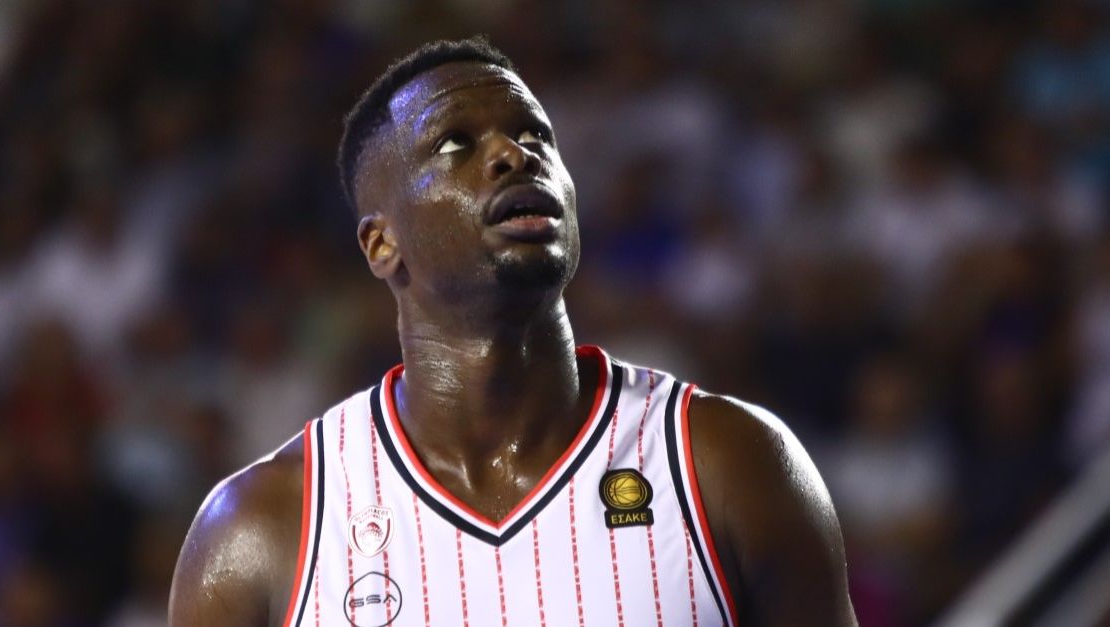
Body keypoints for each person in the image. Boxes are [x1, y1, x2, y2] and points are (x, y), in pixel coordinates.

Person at [169, 37, 857, 627]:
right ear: (381, 244)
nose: (511, 154)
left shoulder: (729, 460)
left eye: (536, 137)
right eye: (455, 144)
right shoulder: (260, 528)